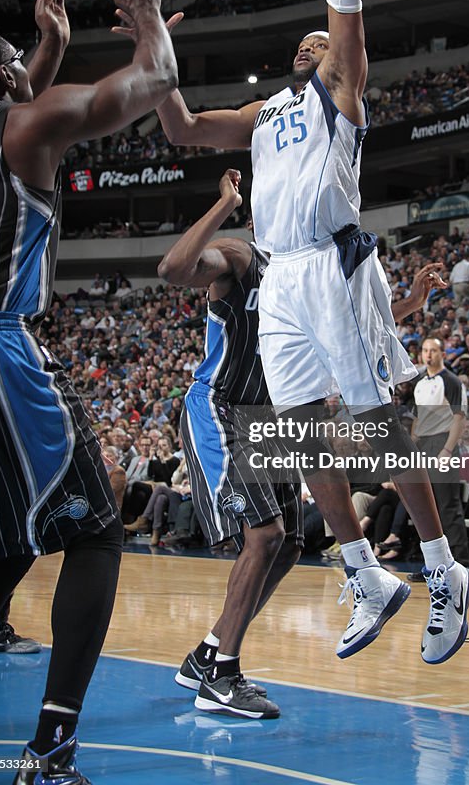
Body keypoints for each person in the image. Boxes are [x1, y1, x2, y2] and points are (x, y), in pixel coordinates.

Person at [154, 0, 469, 665]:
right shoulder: (265, 114)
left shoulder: (340, 93)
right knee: (298, 431)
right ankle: (366, 573)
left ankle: (444, 572)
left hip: (335, 266)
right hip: (280, 277)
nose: (314, 37)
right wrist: (155, 45)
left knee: (375, 428)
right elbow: (181, 129)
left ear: (341, 59)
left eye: (326, 38)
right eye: (307, 37)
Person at [0, 0, 177, 785]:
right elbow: (149, 82)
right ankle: (49, 756)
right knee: (95, 531)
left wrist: (39, 46)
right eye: (25, 66)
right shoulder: (27, 120)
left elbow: (12, 96)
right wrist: (149, 18)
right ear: (11, 77)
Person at [158, 171, 303, 719]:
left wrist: (408, 304)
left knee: (288, 546)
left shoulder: (304, 280)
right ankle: (222, 677)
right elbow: (173, 270)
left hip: (266, 420)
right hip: (219, 409)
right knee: (264, 535)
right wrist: (223, 205)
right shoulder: (241, 257)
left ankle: (208, 654)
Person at [409, 337, 469, 566]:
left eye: (433, 350)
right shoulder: (420, 383)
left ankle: (460, 563)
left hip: (443, 443)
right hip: (423, 445)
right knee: (425, 507)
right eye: (425, 350)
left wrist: (447, 449)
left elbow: (459, 418)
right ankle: (432, 565)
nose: (428, 355)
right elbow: (417, 419)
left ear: (442, 353)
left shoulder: (452, 381)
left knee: (447, 504)